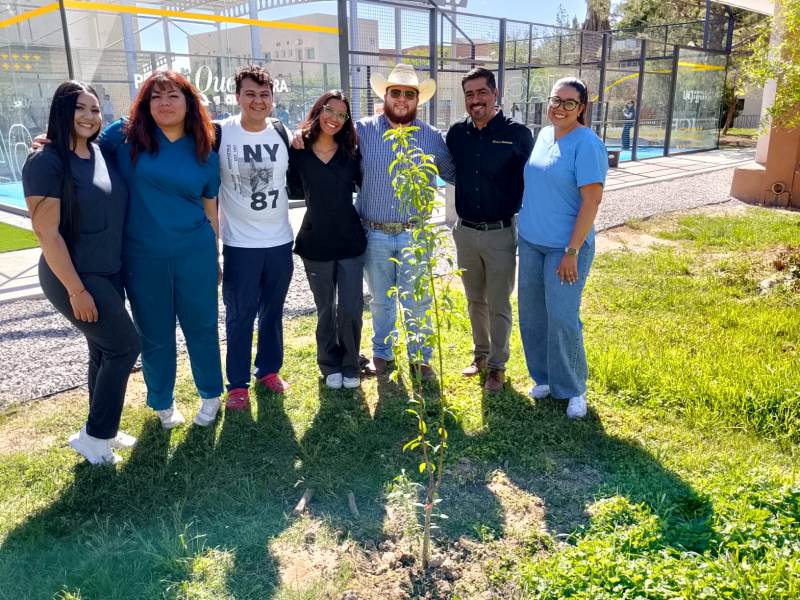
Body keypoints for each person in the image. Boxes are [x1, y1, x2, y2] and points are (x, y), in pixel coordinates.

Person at [22, 81, 140, 464]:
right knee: (125, 346)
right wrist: (75, 290)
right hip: (72, 276)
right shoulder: (47, 160)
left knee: (103, 350)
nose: (90, 116)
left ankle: (99, 429)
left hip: (108, 272)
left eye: (94, 109)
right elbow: (46, 231)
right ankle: (96, 436)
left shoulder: (98, 151)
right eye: (80, 109)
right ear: (62, 112)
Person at [99, 71, 224, 429]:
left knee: (201, 327)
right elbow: (82, 147)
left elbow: (209, 205)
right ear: (144, 103)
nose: (165, 104)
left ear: (189, 104)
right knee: (154, 332)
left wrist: (214, 254)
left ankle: (211, 393)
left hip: (195, 252)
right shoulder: (123, 138)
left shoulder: (204, 147)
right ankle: (162, 401)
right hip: (143, 256)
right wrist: (52, 142)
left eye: (173, 96)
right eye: (156, 97)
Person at [353, 63, 455, 380]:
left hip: (415, 234)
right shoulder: (363, 131)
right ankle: (382, 353)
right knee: (381, 300)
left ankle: (420, 356)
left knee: (419, 299)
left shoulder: (432, 138)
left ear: (417, 100)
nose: (401, 99)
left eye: (408, 94)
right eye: (395, 92)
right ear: (385, 95)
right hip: (374, 232)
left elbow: (453, 174)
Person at [517, 77, 608, 420]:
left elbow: (592, 200)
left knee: (562, 317)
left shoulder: (587, 144)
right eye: (556, 100)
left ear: (582, 108)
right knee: (532, 314)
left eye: (570, 102)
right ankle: (544, 377)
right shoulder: (542, 135)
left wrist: (572, 250)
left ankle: (573, 388)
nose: (560, 107)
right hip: (531, 242)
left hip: (565, 248)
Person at [446, 67, 533, 393]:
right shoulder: (457, 134)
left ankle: (498, 366)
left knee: (498, 302)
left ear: (495, 94)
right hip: (465, 232)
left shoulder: (518, 134)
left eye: (482, 92)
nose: (475, 100)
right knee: (474, 300)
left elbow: (533, 181)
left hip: (499, 233)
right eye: (469, 94)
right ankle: (480, 356)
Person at [213, 65, 293, 412]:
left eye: (264, 94)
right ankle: (237, 384)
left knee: (272, 311)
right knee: (240, 314)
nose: (258, 101)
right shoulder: (219, 133)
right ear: (237, 97)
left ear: (272, 98)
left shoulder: (280, 130)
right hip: (240, 244)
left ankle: (269, 371)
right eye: (250, 94)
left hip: (278, 240)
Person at [287, 90, 365, 389]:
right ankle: (329, 362)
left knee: (350, 308)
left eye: (341, 114)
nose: (334, 118)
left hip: (350, 241)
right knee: (325, 309)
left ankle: (350, 363)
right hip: (315, 241)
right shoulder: (298, 150)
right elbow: (293, 189)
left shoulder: (351, 153)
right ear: (319, 111)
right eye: (329, 111)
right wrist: (296, 135)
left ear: (346, 120)